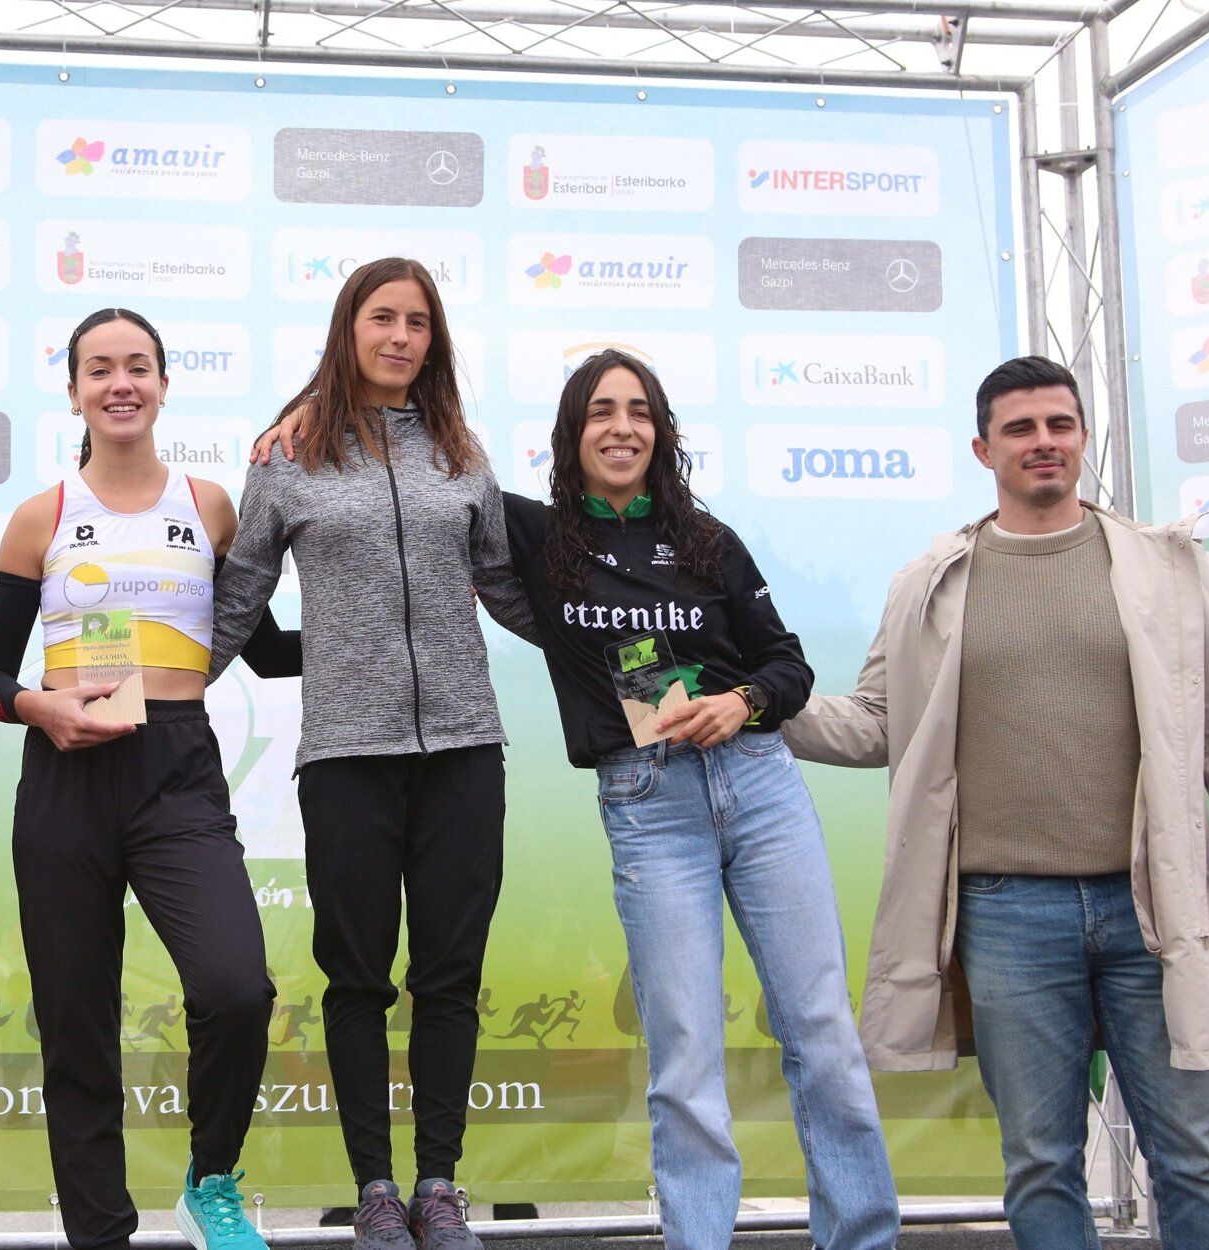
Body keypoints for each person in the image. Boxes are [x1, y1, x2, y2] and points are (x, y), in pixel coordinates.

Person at [253, 347, 898, 1249]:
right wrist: (307, 413)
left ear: (660, 432)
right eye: (601, 411)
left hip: (758, 789)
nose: (621, 427)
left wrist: (743, 700)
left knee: (821, 1033)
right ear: (572, 433)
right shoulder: (535, 533)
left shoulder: (710, 540)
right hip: (648, 803)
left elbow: (786, 662)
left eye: (638, 411)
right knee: (683, 1055)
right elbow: (418, 485)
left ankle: (862, 1236)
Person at [785, 355, 1209, 1249]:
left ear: (1081, 436)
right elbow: (876, 724)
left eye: (1058, 424)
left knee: (1193, 1154)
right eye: (1019, 429)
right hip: (1006, 914)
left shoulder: (1166, 566)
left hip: (1150, 909)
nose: (1042, 443)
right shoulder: (931, 580)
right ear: (982, 448)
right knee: (1040, 1163)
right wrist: (756, 707)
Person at [210, 257, 537, 1250]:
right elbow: (236, 598)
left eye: (419, 322)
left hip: (464, 746)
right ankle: (376, 1191)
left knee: (448, 971)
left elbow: (510, 590)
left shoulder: (459, 450)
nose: (401, 335)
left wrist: (624, 657)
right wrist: (152, 697)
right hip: (347, 750)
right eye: (383, 317)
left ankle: (440, 1184)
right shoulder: (288, 453)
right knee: (356, 977)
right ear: (348, 326)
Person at [0, 307, 301, 1250]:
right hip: (66, 774)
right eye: (99, 369)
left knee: (237, 989)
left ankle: (211, 1179)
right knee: (78, 1029)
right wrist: (42, 707)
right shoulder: (41, 517)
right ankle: (99, 1234)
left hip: (176, 769)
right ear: (73, 390)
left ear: (162, 385)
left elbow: (267, 651)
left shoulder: (209, 507)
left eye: (138, 367)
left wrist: (392, 637)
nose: (120, 384)